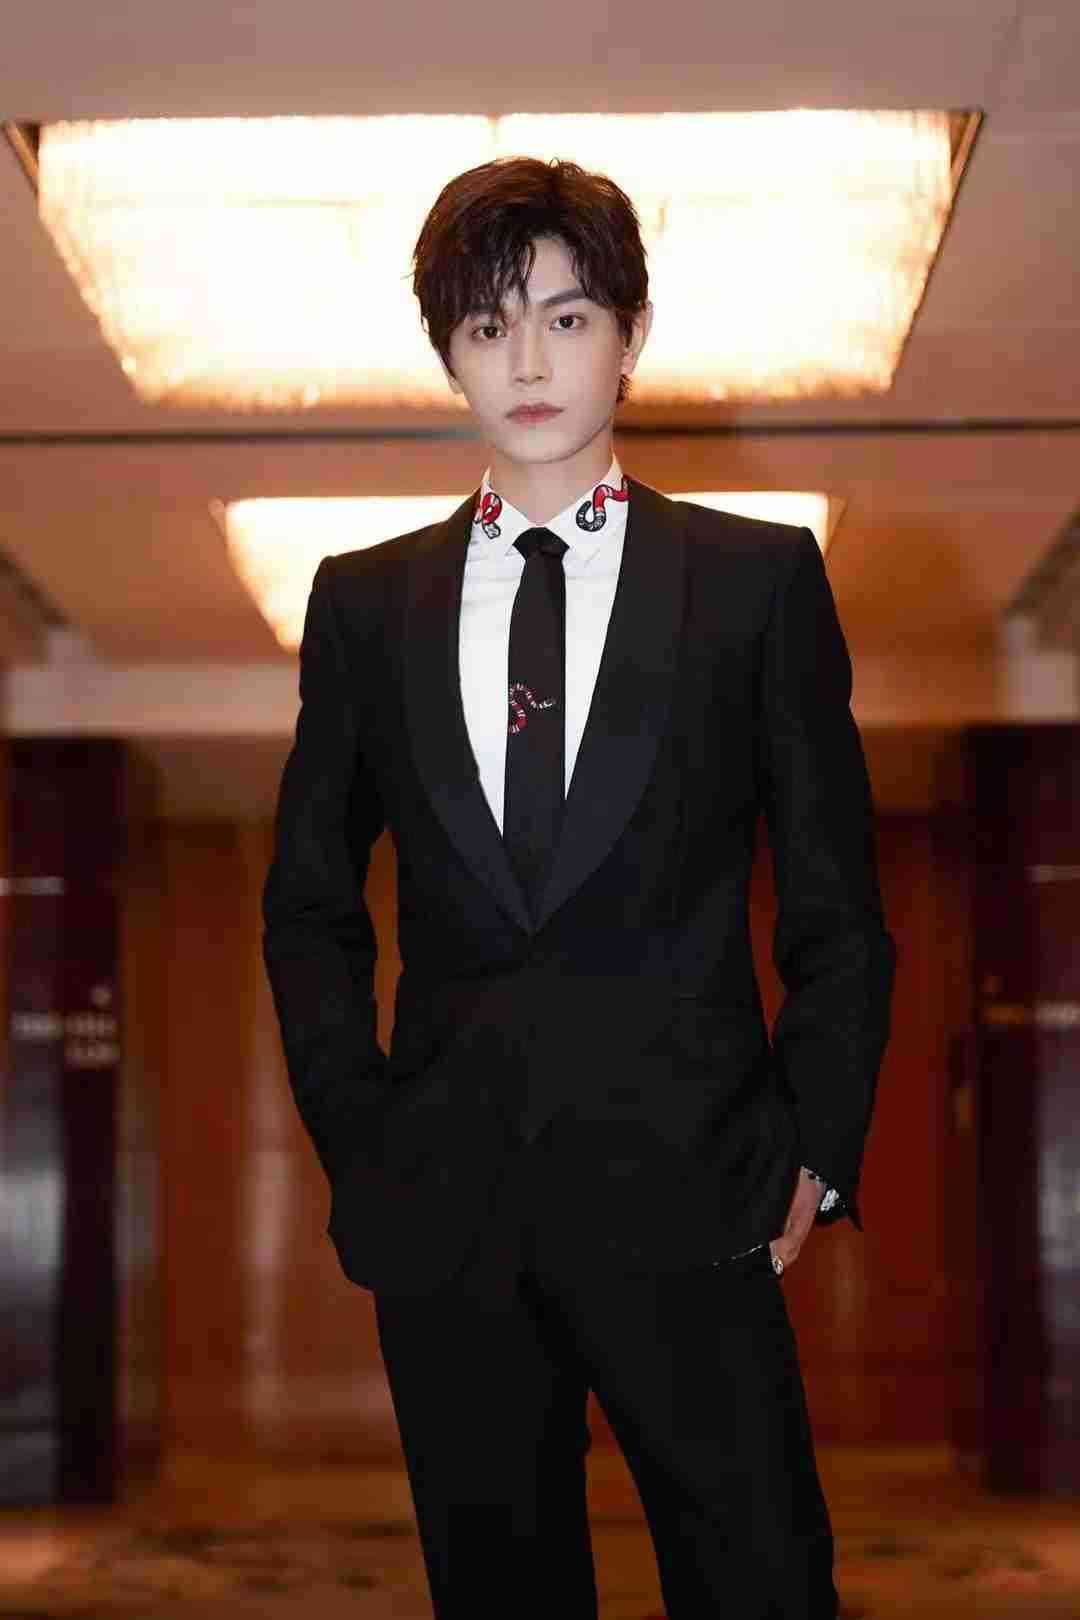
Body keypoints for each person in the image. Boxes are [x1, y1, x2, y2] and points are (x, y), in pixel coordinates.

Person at [262, 155, 896, 1619]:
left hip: (699, 1190)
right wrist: (363, 1133)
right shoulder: (365, 604)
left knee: (762, 1586)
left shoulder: (755, 582)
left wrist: (815, 1146)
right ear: (449, 354)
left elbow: (836, 906)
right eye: (489, 328)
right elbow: (308, 902)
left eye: (566, 319)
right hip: (449, 1209)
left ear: (630, 334)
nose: (530, 363)